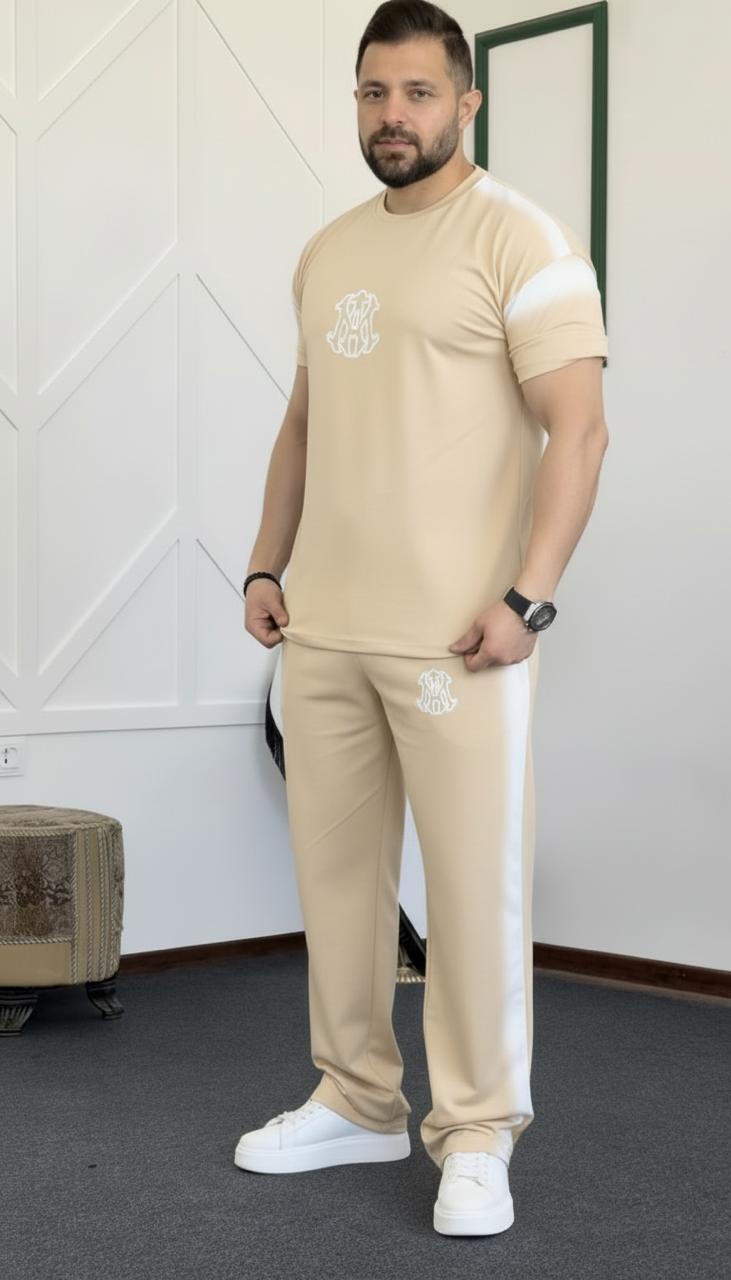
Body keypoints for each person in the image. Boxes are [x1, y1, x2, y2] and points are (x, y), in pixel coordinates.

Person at [236, 0, 609, 1239]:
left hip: (462, 639)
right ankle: (355, 1097)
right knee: (338, 884)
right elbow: (303, 424)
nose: (390, 115)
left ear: (465, 102)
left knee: (469, 890)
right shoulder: (325, 249)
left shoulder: (522, 239)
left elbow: (577, 429)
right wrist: (265, 563)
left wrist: (526, 595)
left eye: (415, 92)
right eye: (371, 92)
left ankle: (479, 1128)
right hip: (326, 631)